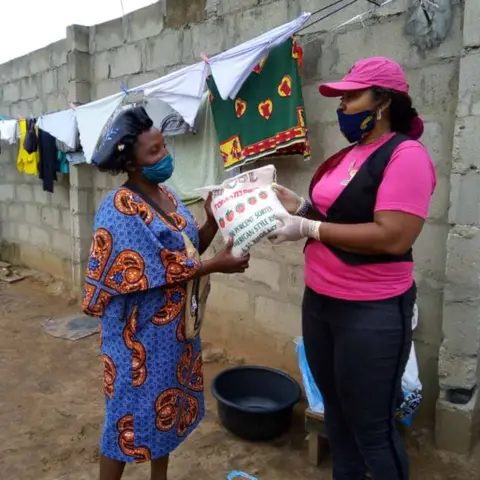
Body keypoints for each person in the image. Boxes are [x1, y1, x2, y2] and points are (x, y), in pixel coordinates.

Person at [271, 57, 436, 480]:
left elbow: (393, 236)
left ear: (383, 101)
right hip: (322, 304)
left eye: (352, 96)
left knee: (371, 428)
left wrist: (307, 226)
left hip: (371, 312)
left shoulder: (406, 155)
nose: (342, 106)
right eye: (341, 97)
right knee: (337, 416)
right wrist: (301, 207)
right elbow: (341, 219)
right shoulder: (350, 155)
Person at [82, 106, 250, 480]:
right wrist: (216, 265)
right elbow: (155, 270)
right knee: (125, 421)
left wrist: (211, 221)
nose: (165, 156)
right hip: (137, 340)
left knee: (166, 413)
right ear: (133, 164)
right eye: (154, 152)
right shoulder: (121, 207)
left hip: (176, 335)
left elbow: (188, 251)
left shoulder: (168, 196)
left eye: (164, 146)